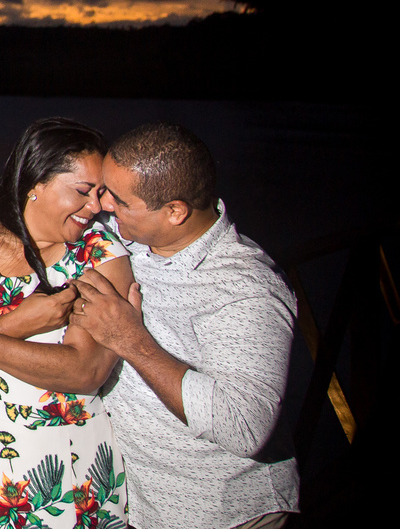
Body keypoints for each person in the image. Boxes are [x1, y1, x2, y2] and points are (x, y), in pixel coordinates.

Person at [70, 122, 299, 529]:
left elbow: (245, 427)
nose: (101, 205)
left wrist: (130, 339)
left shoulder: (246, 288)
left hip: (226, 514)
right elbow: (35, 224)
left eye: (118, 199)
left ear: (175, 211)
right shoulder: (127, 242)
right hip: (147, 509)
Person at [0, 117, 134, 529]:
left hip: (68, 475)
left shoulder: (99, 254)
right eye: (84, 192)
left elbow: (85, 370)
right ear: (35, 183)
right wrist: (21, 322)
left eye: (101, 193)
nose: (98, 206)